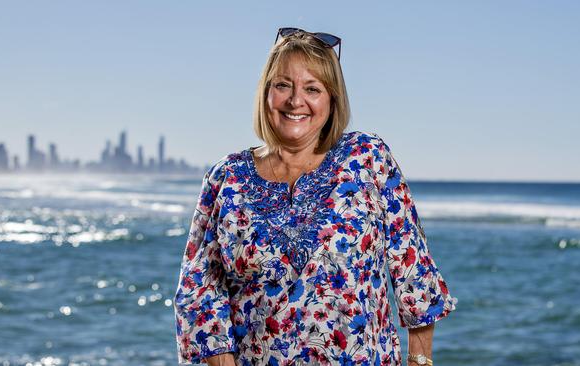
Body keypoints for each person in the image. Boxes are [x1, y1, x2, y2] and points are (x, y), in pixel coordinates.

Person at [173, 27, 457, 366]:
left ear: (332, 99)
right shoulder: (226, 177)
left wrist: (420, 361)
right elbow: (199, 291)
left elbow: (414, 270)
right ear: (265, 93)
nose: (296, 101)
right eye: (283, 85)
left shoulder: (367, 157)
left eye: (312, 88)